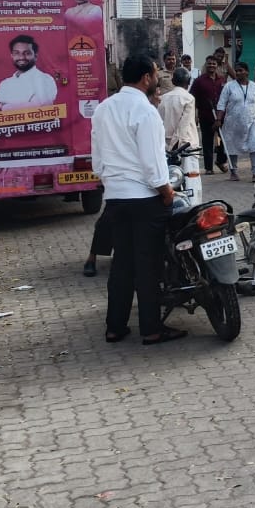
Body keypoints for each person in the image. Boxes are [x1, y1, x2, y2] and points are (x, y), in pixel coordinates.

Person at [91, 55, 183, 345]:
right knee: (148, 266)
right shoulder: (145, 111)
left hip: (115, 199)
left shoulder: (103, 109)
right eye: (155, 73)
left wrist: (111, 183)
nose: (157, 78)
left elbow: (97, 159)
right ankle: (151, 329)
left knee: (122, 264)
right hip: (144, 199)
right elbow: (153, 163)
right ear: (146, 78)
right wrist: (167, 192)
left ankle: (115, 327)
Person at [0, 33, 57, 121]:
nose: (21, 57)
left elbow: (43, 110)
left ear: (35, 56)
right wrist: (20, 107)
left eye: (27, 53)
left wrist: (3, 107)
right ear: (12, 56)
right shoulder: (5, 83)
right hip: (9, 129)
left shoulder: (45, 79)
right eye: (16, 53)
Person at [216, 61, 255, 182]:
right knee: (232, 146)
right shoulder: (229, 86)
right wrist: (218, 119)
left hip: (252, 121)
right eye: (236, 71)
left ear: (247, 72)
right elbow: (221, 104)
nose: (238, 73)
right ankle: (233, 172)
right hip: (233, 122)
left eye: (241, 70)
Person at [190, 57, 229, 174]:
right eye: (209, 63)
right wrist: (194, 115)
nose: (211, 65)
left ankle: (220, 161)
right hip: (205, 115)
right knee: (207, 142)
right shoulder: (199, 81)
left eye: (213, 63)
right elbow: (192, 98)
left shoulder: (222, 80)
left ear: (217, 65)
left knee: (223, 140)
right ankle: (208, 168)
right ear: (206, 65)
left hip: (221, 115)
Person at [159, 67, 199, 154]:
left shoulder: (162, 98)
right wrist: (173, 147)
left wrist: (168, 146)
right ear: (189, 82)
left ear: (173, 81)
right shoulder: (189, 98)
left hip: (165, 143)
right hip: (185, 144)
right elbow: (183, 126)